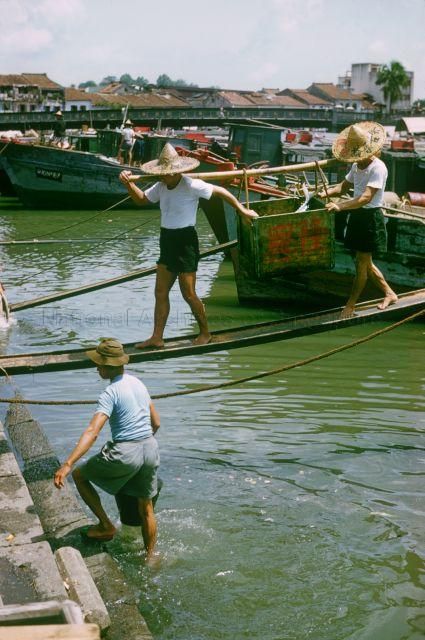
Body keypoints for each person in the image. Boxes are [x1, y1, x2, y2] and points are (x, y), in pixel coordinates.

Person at [119, 142, 259, 348]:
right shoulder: (161, 186)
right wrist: (128, 184)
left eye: (167, 173)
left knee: (189, 293)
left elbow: (221, 191)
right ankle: (157, 337)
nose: (164, 176)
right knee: (160, 292)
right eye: (162, 173)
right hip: (167, 241)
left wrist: (242, 210)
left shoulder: (192, 185)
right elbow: (142, 200)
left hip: (186, 243)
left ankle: (205, 333)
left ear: (177, 172)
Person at [54, 338, 160, 561]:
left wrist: (68, 463)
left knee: (80, 475)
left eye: (99, 364)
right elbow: (156, 423)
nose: (97, 368)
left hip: (126, 451)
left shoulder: (110, 393)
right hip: (150, 448)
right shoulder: (138, 383)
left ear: (106, 365)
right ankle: (151, 557)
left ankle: (105, 525)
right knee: (146, 507)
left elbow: (93, 431)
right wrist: (141, 447)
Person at [319, 121, 398, 318]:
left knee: (361, 265)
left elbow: (365, 198)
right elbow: (343, 188)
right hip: (357, 216)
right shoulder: (356, 166)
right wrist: (325, 192)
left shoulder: (378, 168)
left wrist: (340, 206)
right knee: (365, 262)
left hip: (370, 218)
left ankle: (350, 305)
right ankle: (389, 293)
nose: (357, 159)